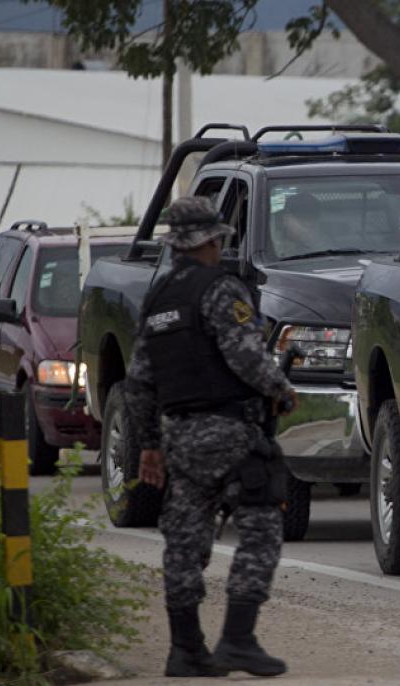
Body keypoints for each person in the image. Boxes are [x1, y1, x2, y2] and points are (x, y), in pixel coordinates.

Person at [124, 196, 298, 678]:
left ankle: (185, 650)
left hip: (178, 437)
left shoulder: (158, 298)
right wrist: (281, 390)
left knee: (183, 539)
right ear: (208, 241)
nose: (222, 246)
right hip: (230, 432)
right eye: (219, 239)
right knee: (262, 525)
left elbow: (139, 382)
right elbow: (245, 356)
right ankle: (238, 640)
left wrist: (149, 446)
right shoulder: (222, 289)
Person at [271, 192, 322, 259]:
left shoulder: (328, 246)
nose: (309, 225)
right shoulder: (271, 245)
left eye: (313, 219)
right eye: (302, 219)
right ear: (285, 219)